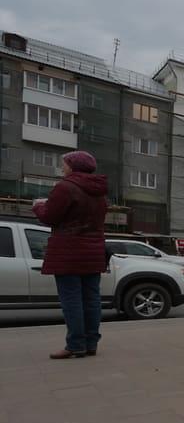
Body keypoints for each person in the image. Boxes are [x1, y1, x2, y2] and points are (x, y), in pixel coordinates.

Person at [32, 151, 108, 359]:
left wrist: (38, 206)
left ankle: (75, 345)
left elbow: (50, 216)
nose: (62, 168)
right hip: (93, 252)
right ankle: (91, 344)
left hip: (68, 251)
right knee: (91, 299)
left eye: (64, 164)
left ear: (74, 165)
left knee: (72, 300)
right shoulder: (99, 191)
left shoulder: (65, 187)